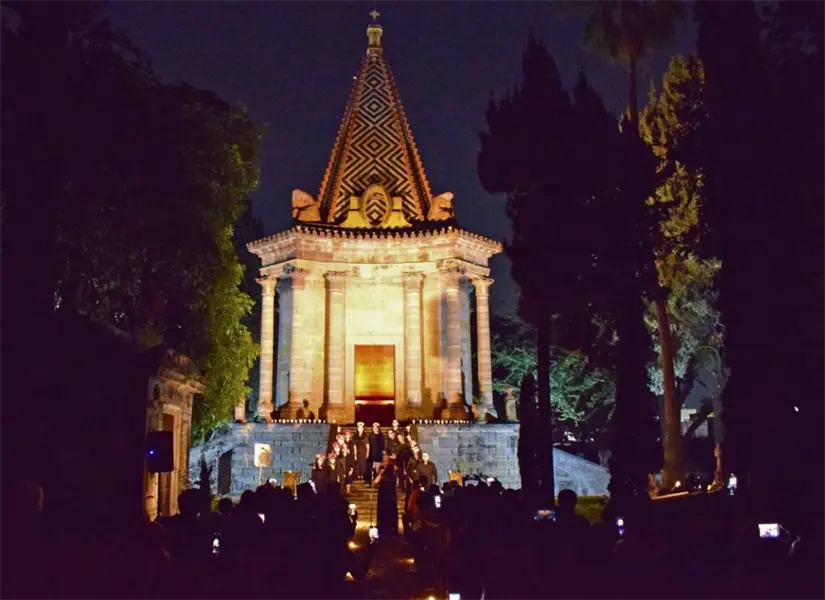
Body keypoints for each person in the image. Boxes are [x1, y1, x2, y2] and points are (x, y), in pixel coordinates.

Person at [373, 455, 399, 536]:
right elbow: (375, 482)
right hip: (384, 494)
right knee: (383, 511)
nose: (385, 461)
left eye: (386, 460)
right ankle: (383, 528)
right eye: (384, 460)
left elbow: (397, 483)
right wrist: (380, 474)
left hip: (389, 494)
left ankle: (390, 528)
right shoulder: (381, 470)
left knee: (390, 511)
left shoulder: (393, 470)